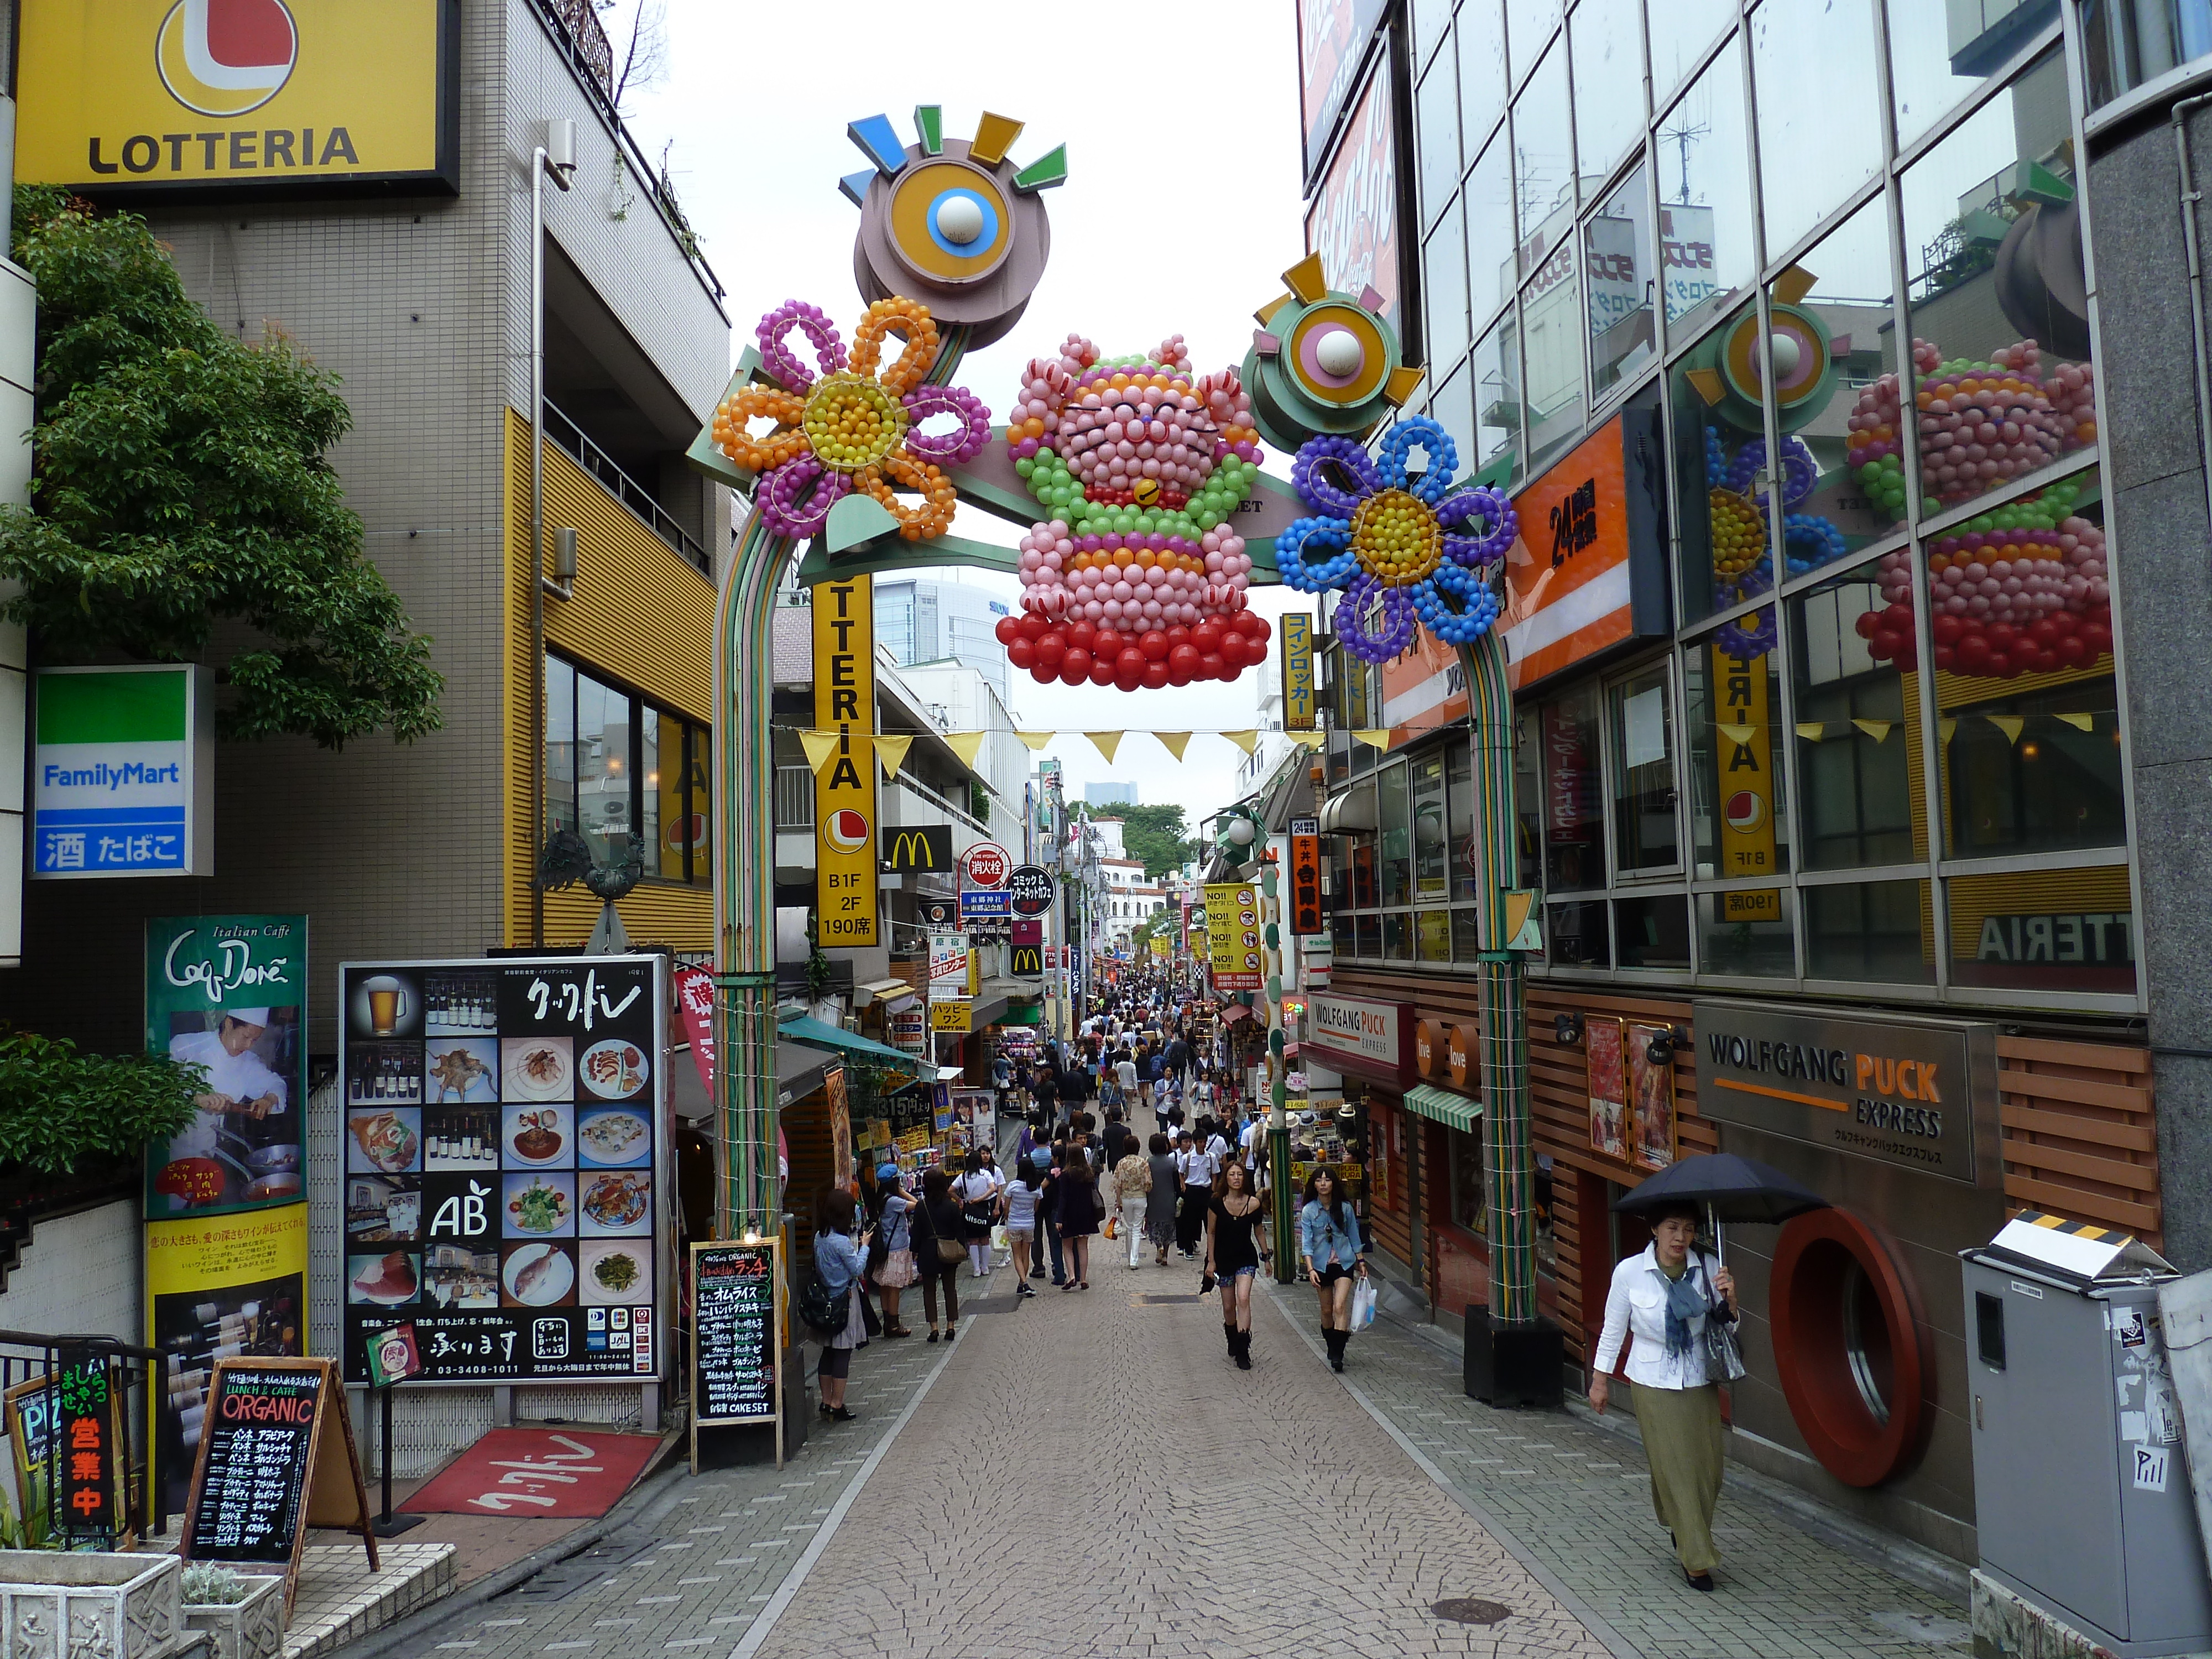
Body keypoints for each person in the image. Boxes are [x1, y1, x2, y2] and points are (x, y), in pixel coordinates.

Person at [1590, 1202, 1740, 1592]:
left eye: (1688, 1229)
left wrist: (1731, 1300)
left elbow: (1728, 1327)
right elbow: (1613, 1328)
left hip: (1698, 1376)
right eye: (1672, 1227)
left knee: (1709, 1469)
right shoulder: (1630, 1273)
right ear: (1655, 1229)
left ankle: (1678, 1521)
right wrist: (1600, 1379)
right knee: (1676, 1466)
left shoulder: (1708, 1268)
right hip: (1652, 1378)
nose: (1680, 1237)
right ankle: (1697, 1558)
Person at [166, 1006, 289, 1167]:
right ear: (229, 1024)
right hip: (170, 1152)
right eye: (246, 1037)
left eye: (254, 1040)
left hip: (207, 1153)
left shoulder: (249, 1063)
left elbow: (277, 1084)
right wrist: (197, 1097)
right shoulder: (185, 1046)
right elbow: (161, 1087)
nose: (248, 1046)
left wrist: (269, 1099)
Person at [1299, 1167, 1367, 1373]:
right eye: (1319, 1181)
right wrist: (1310, 1269)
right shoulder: (1309, 1211)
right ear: (1315, 1185)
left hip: (1344, 1263)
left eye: (1327, 1180)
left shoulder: (1345, 1208)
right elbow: (1307, 1243)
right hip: (1320, 1265)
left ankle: (1338, 1354)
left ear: (1333, 1184)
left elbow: (1354, 1236)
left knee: (1339, 1307)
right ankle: (1332, 1346)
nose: (1323, 1184)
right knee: (1327, 1310)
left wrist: (1361, 1261)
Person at [1206, 1159, 1270, 1368]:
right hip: (1224, 1259)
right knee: (1228, 1306)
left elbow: (1259, 1231)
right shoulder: (1216, 1203)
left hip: (1246, 1258)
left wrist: (1266, 1256)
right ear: (1226, 1178)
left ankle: (1243, 1349)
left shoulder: (1253, 1204)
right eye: (1232, 1175)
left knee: (1243, 1299)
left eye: (1240, 1175)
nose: (1236, 1178)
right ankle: (1232, 1337)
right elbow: (1211, 1233)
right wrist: (1211, 1261)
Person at [811, 1186, 868, 1421]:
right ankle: (837, 1403)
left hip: (824, 1299)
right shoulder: (841, 1243)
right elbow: (856, 1269)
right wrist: (864, 1247)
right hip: (844, 1299)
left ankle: (825, 1401)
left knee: (827, 1351)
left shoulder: (819, 1237)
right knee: (843, 1352)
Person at [910, 1167, 965, 1343]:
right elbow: (960, 1231)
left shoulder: (921, 1206)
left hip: (927, 1250)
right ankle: (951, 1326)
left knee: (929, 1291)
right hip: (948, 1249)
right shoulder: (951, 1206)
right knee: (950, 1289)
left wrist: (915, 1251)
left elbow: (916, 1232)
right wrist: (962, 1248)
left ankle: (934, 1328)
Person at [870, 1165, 916, 1338]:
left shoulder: (881, 1198)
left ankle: (887, 1321)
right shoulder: (894, 1201)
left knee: (885, 1285)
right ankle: (894, 1324)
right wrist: (901, 1191)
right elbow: (917, 1205)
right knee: (895, 1287)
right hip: (896, 1248)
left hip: (885, 1247)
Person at [1046, 1141, 1098, 1290]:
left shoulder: (1066, 1175)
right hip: (1086, 1214)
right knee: (1083, 1246)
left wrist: (1059, 1218)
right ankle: (1083, 1278)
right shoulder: (1089, 1173)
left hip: (1069, 1214)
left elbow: (1063, 1198)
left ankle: (1071, 1276)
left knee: (1067, 1246)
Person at [1109, 1140, 1151, 1271]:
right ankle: (1134, 1259)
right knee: (1137, 1228)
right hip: (1140, 1197)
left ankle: (1130, 1256)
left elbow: (1117, 1184)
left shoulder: (1121, 1163)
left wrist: (1118, 1201)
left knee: (1129, 1227)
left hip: (1126, 1198)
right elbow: (1148, 1183)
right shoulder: (1143, 1162)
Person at [1173, 1129, 1215, 1258]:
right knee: (1189, 1221)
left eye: (1204, 1142)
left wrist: (1213, 1190)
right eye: (1200, 1142)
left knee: (1209, 1222)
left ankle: (1212, 1250)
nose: (1202, 1145)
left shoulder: (1211, 1157)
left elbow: (1215, 1174)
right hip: (1191, 1190)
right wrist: (1183, 1185)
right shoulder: (1188, 1157)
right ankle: (1188, 1248)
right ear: (1195, 1143)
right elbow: (1181, 1173)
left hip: (1206, 1191)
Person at [1001, 1158, 1041, 1296]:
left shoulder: (1013, 1186)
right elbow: (1036, 1207)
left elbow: (1006, 1206)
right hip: (1029, 1223)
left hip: (1014, 1223)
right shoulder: (1036, 1187)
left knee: (1017, 1255)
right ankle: (1022, 1284)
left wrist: (1007, 1216)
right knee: (1026, 1255)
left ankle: (1024, 1283)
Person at [1144, 1131, 1180, 1267]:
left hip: (1153, 1199)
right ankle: (1165, 1256)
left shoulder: (1148, 1163)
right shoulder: (1172, 1162)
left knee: (1155, 1227)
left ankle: (1159, 1247)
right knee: (1169, 1228)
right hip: (1169, 1199)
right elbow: (1177, 1183)